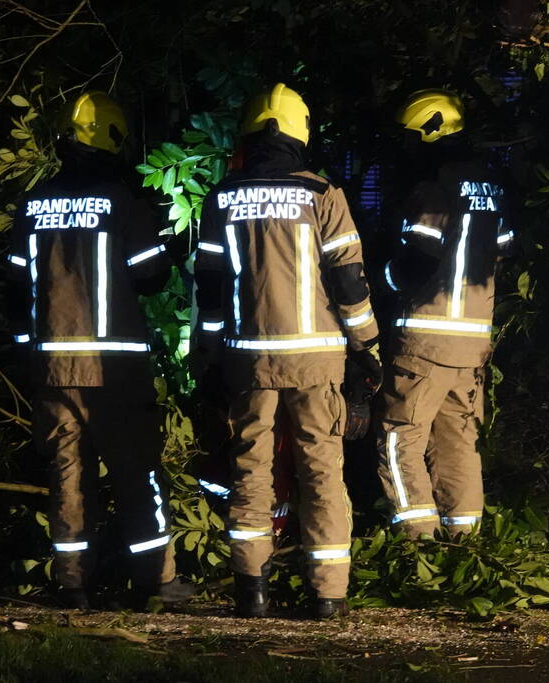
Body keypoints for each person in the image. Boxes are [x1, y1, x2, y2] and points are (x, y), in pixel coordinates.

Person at [193, 83, 381, 619]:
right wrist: (367, 347)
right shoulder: (324, 195)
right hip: (317, 361)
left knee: (250, 470)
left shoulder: (221, 198)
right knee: (322, 469)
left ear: (249, 134)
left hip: (247, 360)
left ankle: (251, 587)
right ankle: (328, 594)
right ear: (300, 133)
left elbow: (209, 289)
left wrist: (206, 355)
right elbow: (349, 284)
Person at [7, 91, 193, 610]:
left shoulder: (33, 204)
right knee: (138, 471)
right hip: (115, 368)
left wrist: (29, 355)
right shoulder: (122, 201)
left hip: (51, 367)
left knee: (66, 474)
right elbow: (151, 277)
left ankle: (72, 583)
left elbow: (15, 291)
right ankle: (157, 581)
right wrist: (168, 251)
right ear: (112, 137)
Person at [375, 89, 514, 539]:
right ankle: (465, 542)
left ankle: (419, 545)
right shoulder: (492, 188)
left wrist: (384, 284)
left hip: (425, 338)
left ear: (427, 133)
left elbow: (417, 261)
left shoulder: (432, 189)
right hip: (473, 343)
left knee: (400, 439)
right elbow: (505, 252)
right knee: (460, 443)